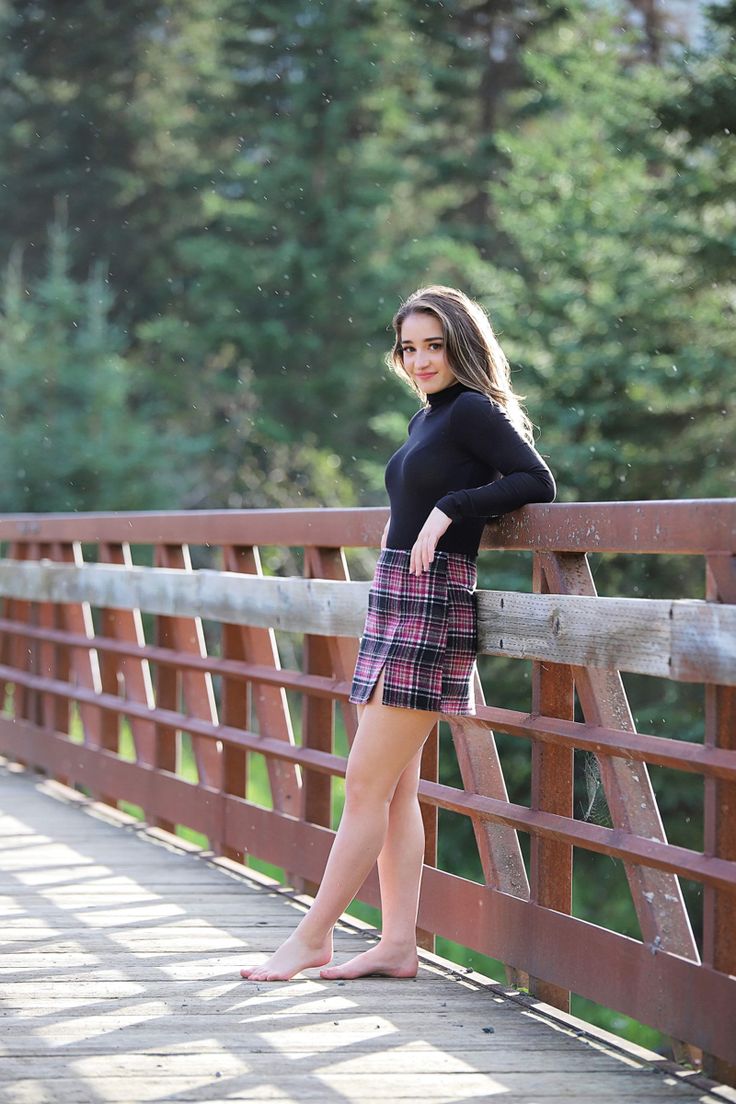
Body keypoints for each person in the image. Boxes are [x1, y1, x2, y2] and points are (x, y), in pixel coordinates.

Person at [240, 284, 556, 983]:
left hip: (433, 602)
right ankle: (397, 945)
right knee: (395, 789)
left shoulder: (472, 410)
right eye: (409, 348)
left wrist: (451, 509)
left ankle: (313, 936)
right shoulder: (427, 419)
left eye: (433, 347)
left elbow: (537, 480)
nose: (419, 360)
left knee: (364, 784)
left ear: (461, 347)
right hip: (394, 596)